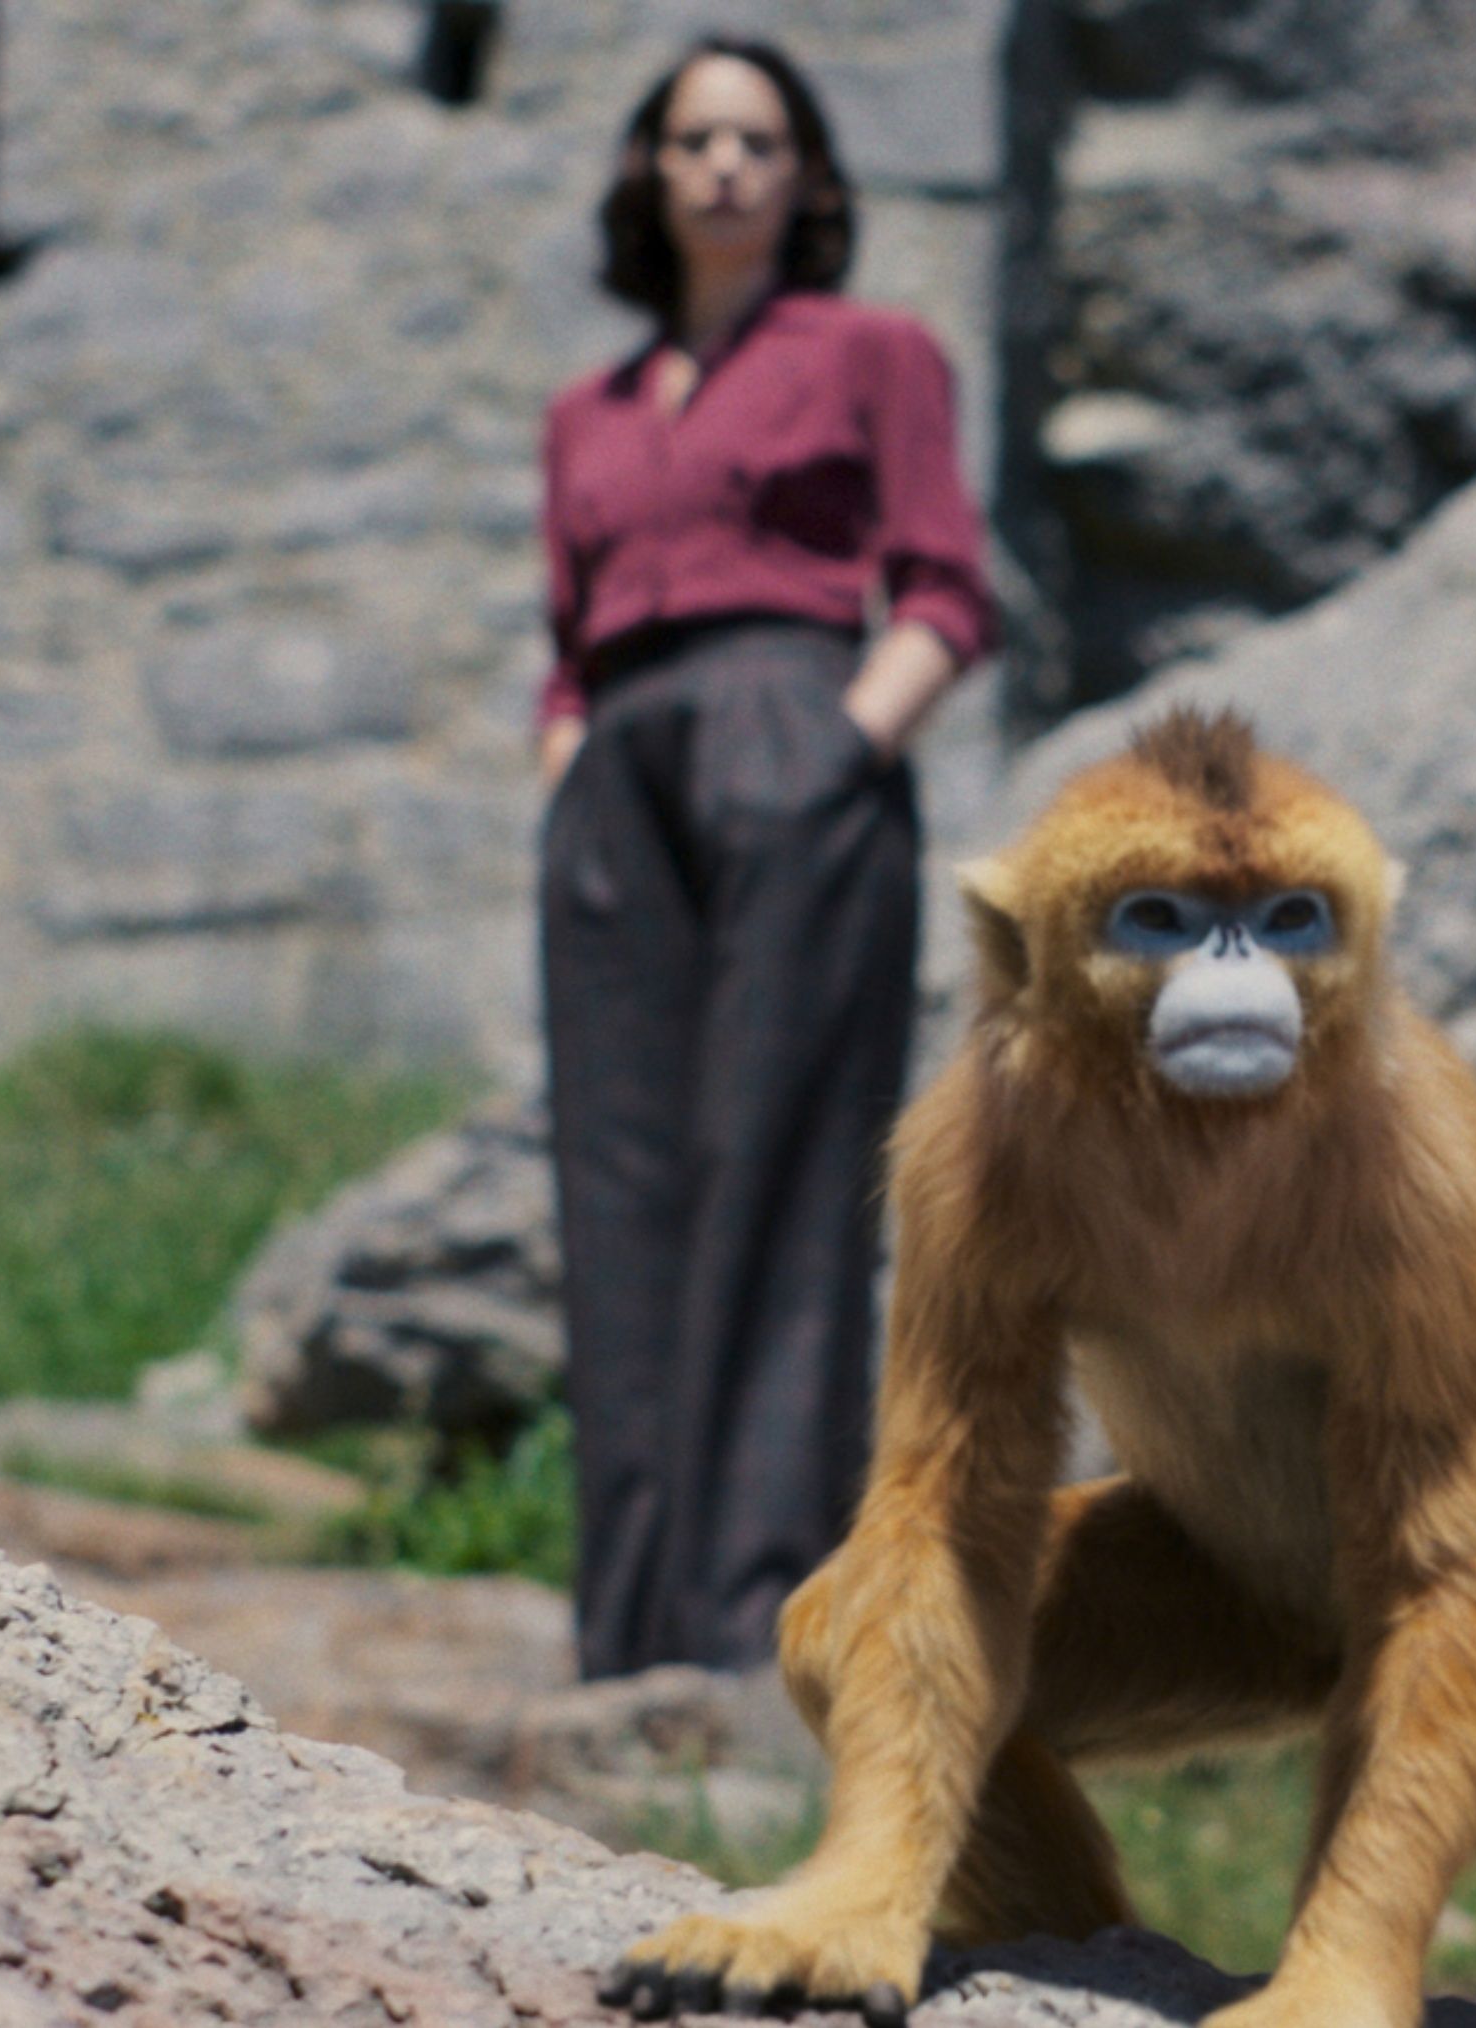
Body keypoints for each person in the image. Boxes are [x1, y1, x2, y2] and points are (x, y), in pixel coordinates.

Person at [533, 37, 995, 1680]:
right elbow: (565, 641)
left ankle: (753, 1628)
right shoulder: (584, 411)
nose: (726, 166)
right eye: (694, 138)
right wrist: (567, 763)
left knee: (785, 1181)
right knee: (622, 1185)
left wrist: (842, 750)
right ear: (649, 172)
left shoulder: (874, 353)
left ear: (806, 178)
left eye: (760, 139)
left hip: (796, 735)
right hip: (618, 786)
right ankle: (628, 1631)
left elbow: (947, 592)